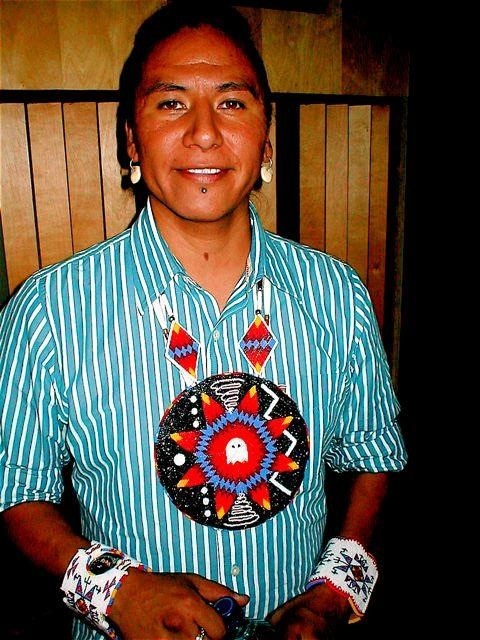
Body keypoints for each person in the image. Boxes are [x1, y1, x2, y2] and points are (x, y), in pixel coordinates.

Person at [0, 2, 407, 639]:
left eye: (232, 102)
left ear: (266, 139)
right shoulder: (46, 311)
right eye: (171, 103)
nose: (204, 133)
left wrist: (335, 593)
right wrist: (116, 590)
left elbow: (374, 454)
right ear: (131, 140)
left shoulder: (339, 295)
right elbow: (16, 493)